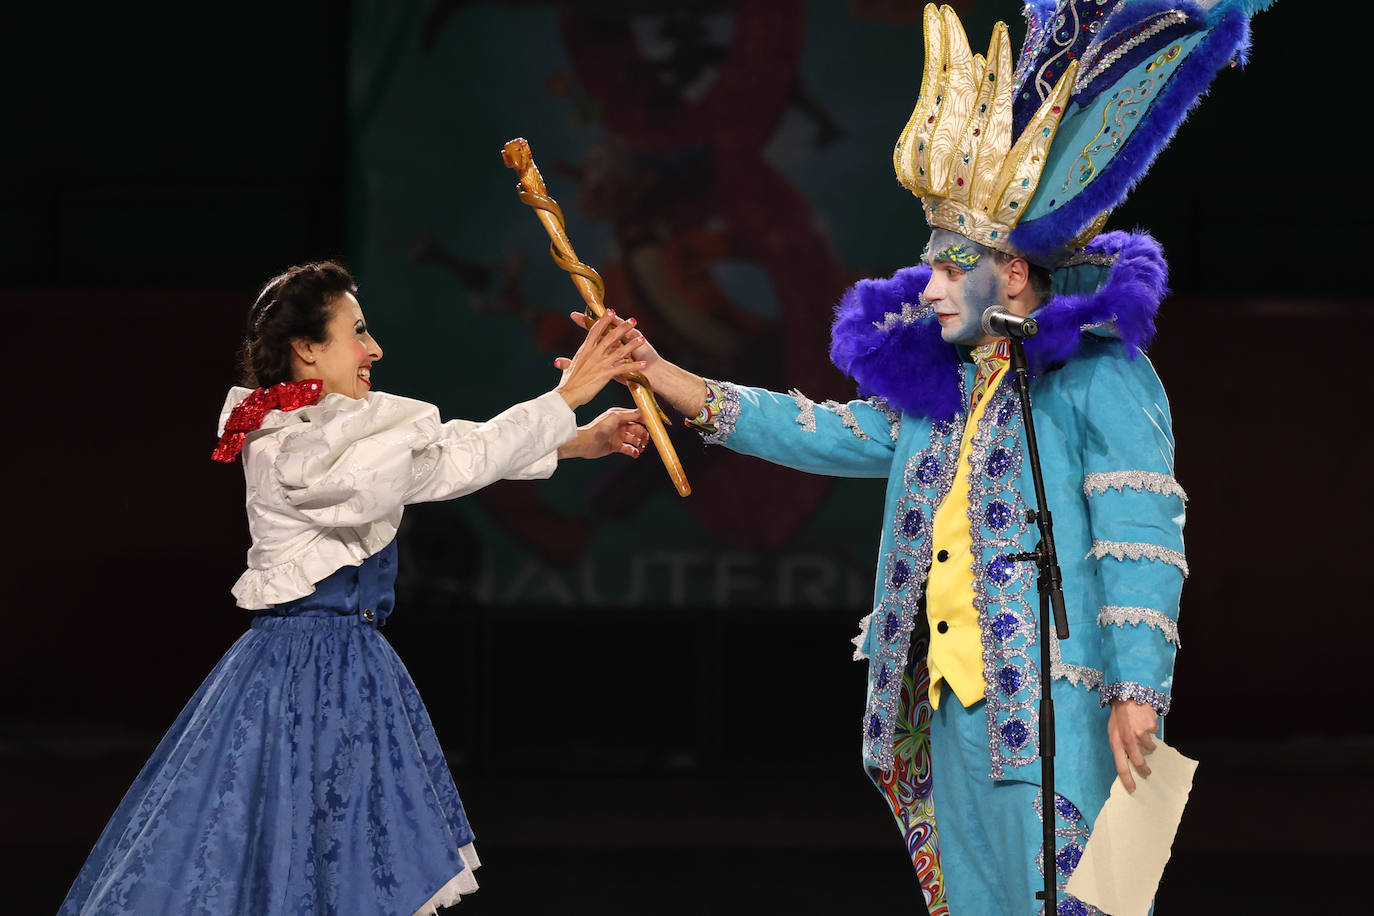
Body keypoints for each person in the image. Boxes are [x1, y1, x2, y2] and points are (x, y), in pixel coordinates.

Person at [560, 2, 1273, 912]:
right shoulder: (941, 398)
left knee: (1085, 902)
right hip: (953, 714)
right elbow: (816, 430)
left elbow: (1142, 537)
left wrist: (1139, 689)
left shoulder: (1101, 376)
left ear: (1013, 273)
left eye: (950, 267)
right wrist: (664, 374)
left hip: (1064, 711)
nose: (928, 288)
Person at [60, 260, 650, 915]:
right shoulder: (287, 444)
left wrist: (577, 438)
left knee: (344, 868)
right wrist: (566, 398)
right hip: (303, 675)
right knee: (291, 867)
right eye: (357, 331)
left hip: (348, 667)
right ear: (308, 348)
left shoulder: (338, 432)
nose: (375, 349)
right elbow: (413, 468)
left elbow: (443, 456)